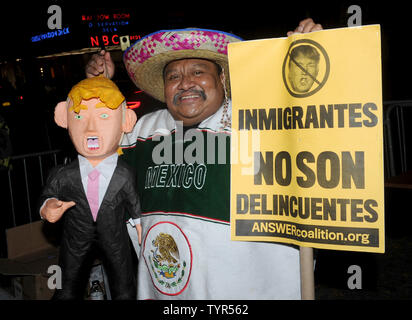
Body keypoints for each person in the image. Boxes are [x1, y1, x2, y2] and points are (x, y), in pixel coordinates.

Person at [86, 18, 322, 299]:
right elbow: (94, 161)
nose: (185, 83)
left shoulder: (260, 120)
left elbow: (326, 127)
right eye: (173, 76)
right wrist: (97, 92)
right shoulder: (140, 133)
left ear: (222, 78)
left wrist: (313, 55)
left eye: (198, 72)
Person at [39, 76, 141, 299]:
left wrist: (141, 227)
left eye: (104, 116)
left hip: (115, 239)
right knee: (66, 289)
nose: (90, 128)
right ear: (62, 118)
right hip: (75, 240)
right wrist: (47, 207)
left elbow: (135, 204)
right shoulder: (63, 174)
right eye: (79, 116)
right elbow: (47, 195)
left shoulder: (125, 173)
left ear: (127, 121)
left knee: (124, 288)